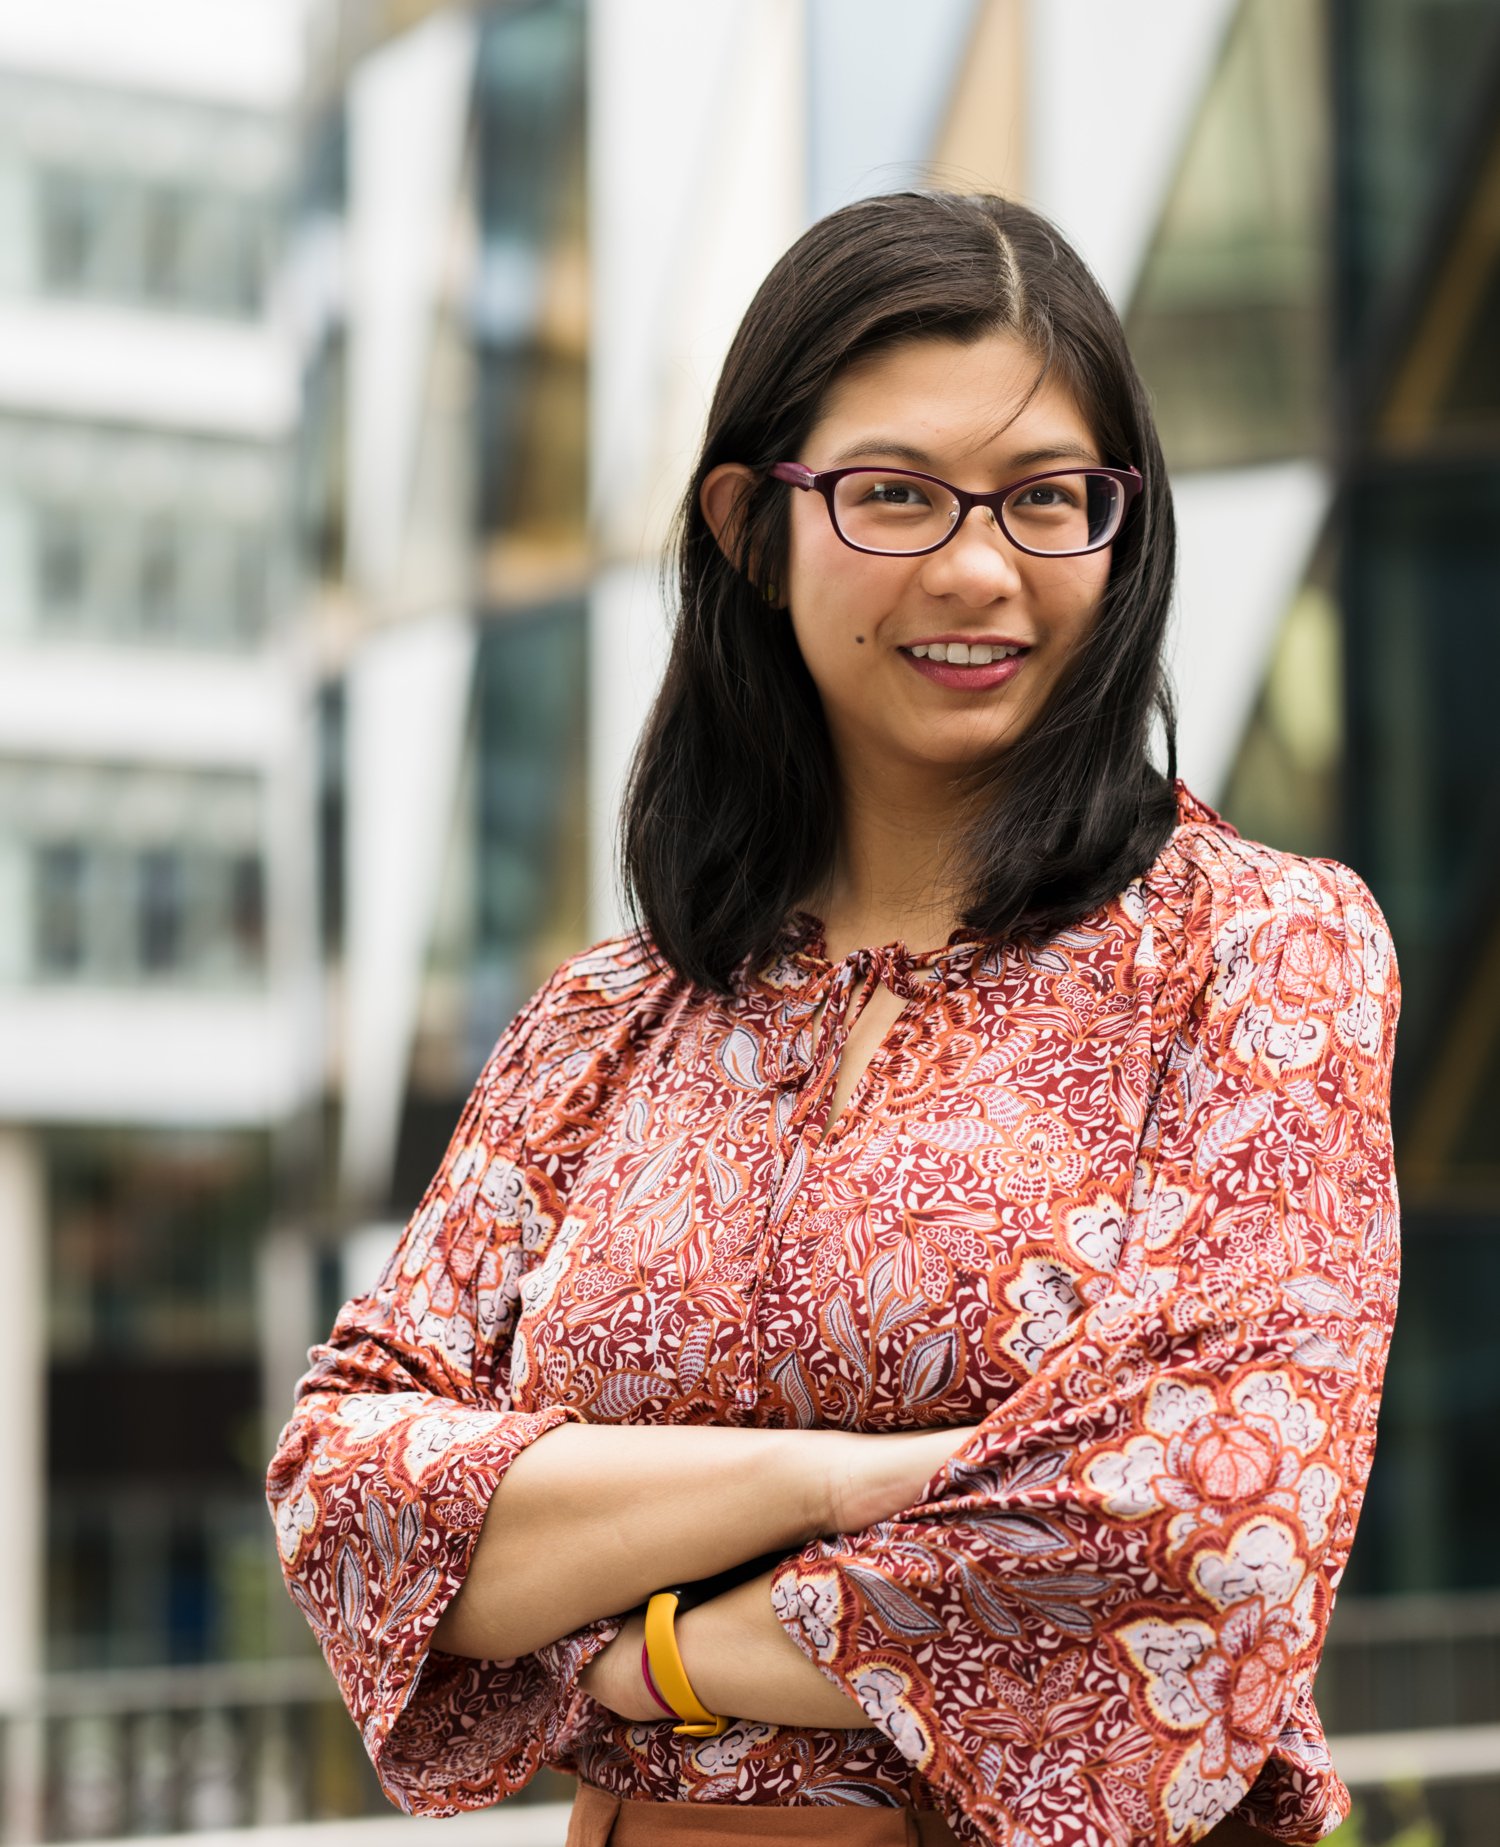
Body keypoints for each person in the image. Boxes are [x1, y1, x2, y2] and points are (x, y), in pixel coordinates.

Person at [266, 192, 1400, 1847]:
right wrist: (840, 1482)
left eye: (1047, 500)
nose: (977, 570)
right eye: (893, 496)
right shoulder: (608, 1023)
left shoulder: (1258, 952)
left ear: (1120, 526)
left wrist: (642, 1648)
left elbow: (1204, 1534)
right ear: (750, 524)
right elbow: (343, 1495)